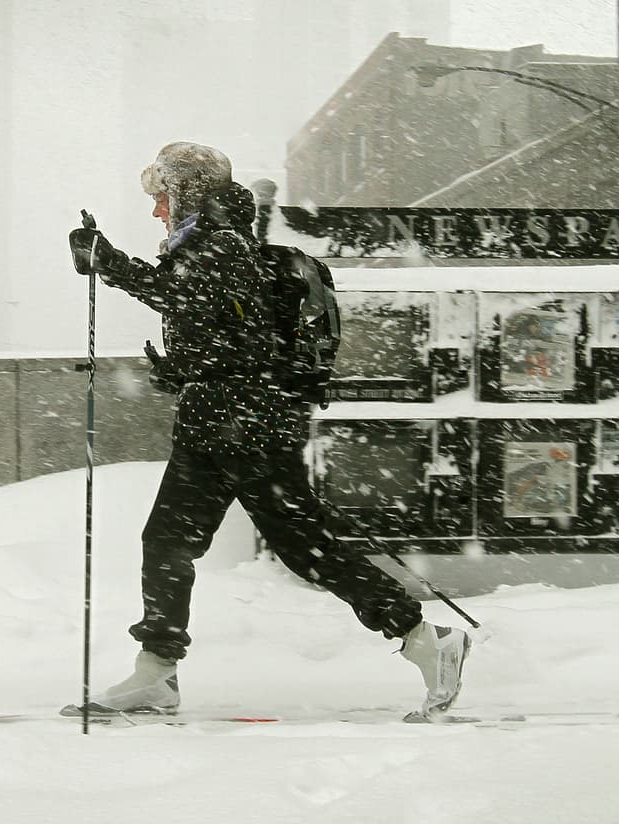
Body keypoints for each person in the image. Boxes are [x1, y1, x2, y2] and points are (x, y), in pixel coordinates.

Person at [65, 141, 470, 719]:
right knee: (169, 543)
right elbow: (221, 331)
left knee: (306, 550)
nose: (156, 210)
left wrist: (111, 263)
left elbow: (193, 306)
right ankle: (155, 673)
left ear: (185, 192)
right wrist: (182, 368)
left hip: (246, 428)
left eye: (162, 197)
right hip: (220, 424)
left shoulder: (221, 243)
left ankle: (428, 641)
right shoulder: (209, 243)